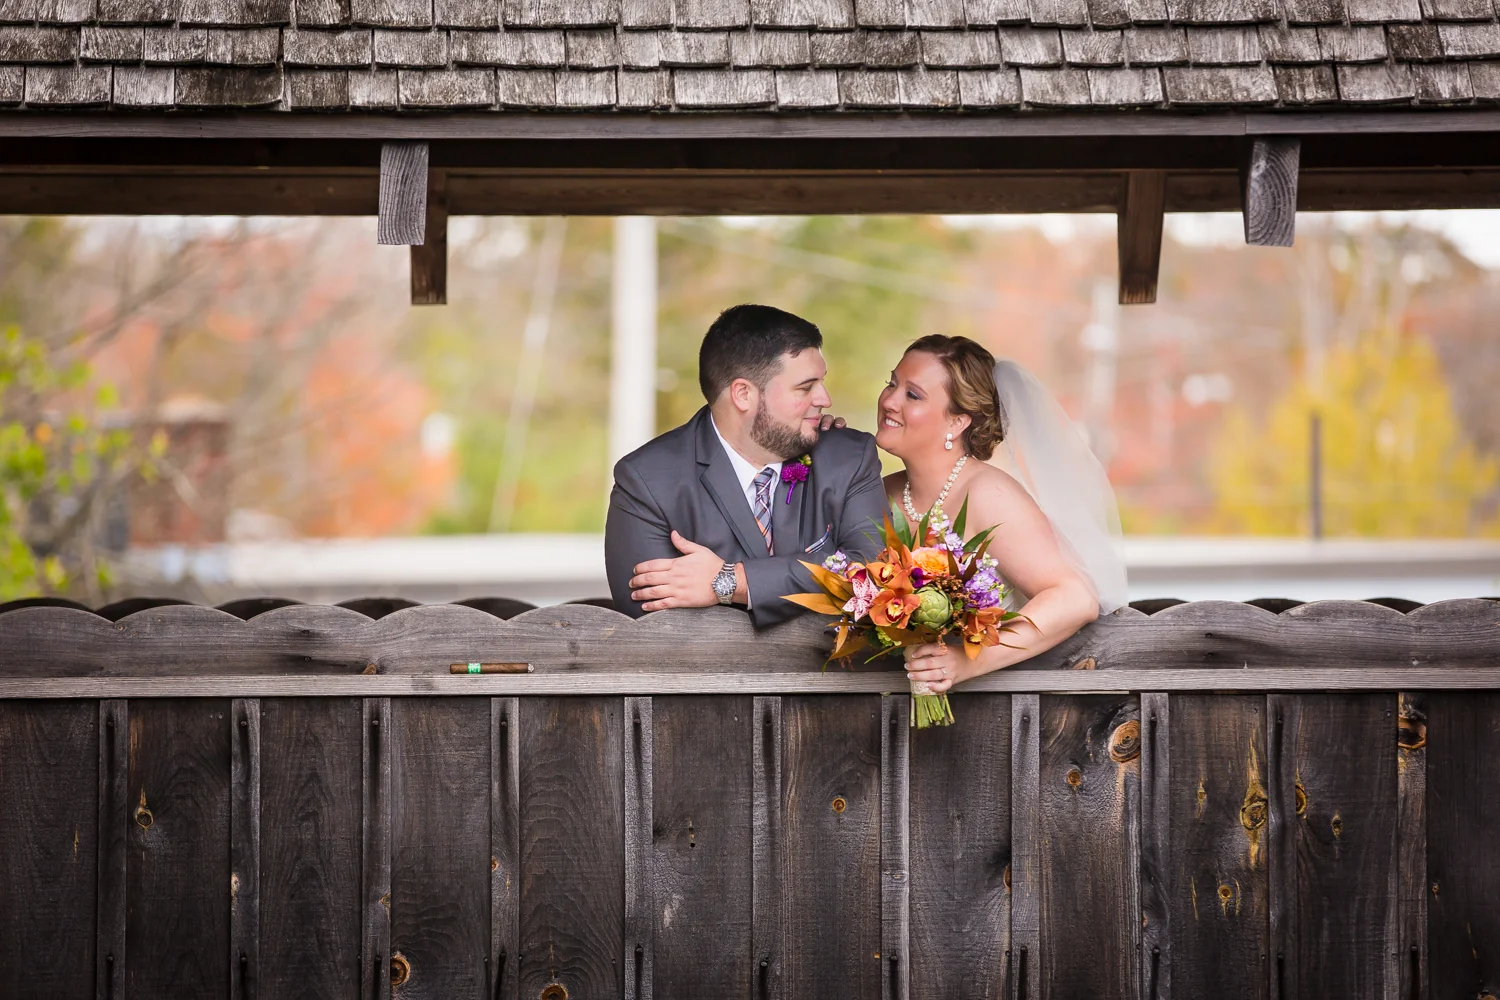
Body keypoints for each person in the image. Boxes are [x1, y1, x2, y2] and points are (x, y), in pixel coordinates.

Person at [605, 304, 889, 627]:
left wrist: (732, 582)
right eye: (805, 387)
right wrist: (815, 578)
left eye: (821, 382)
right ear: (743, 394)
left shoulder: (848, 457)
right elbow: (654, 632)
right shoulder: (647, 482)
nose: (825, 399)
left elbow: (873, 573)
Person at [876, 334, 1128, 693]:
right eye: (891, 384)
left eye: (912, 395)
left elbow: (1075, 598)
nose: (889, 400)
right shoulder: (881, 492)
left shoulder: (988, 495)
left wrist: (969, 660)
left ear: (957, 423)